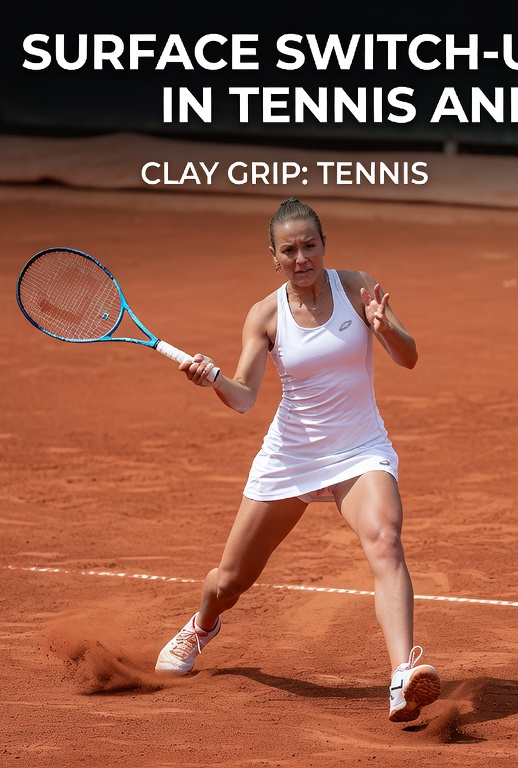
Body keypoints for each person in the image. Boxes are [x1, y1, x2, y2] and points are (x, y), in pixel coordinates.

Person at [154, 198, 441, 724]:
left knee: (386, 541)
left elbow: (409, 356)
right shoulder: (264, 315)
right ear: (275, 257)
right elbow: (243, 397)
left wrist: (385, 328)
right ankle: (200, 626)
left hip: (359, 449)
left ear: (324, 246)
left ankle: (403, 676)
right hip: (290, 457)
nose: (302, 257)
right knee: (229, 582)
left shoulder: (358, 288)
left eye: (310, 245)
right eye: (290, 250)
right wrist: (213, 378)